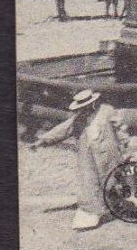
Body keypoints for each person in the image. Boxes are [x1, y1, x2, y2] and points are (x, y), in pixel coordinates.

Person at [33, 89, 129, 231]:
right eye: (81, 108)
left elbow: (120, 129)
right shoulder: (79, 119)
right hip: (87, 155)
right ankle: (89, 216)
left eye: (86, 106)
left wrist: (125, 148)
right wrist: (42, 141)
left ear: (93, 103)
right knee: (88, 183)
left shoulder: (107, 111)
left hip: (108, 153)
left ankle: (114, 208)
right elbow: (63, 129)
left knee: (111, 181)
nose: (83, 109)